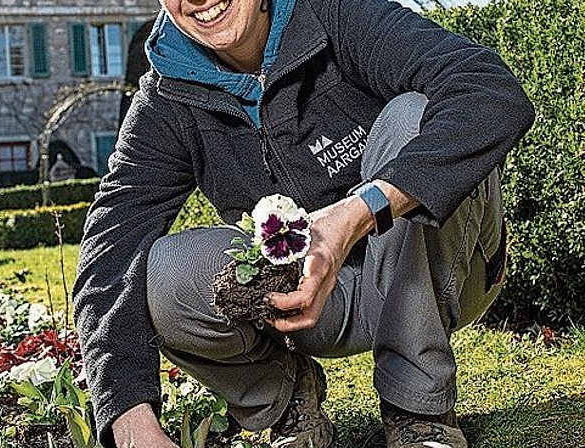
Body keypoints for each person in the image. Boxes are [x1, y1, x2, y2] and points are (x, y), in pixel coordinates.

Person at [72, 0, 535, 447]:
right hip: (311, 307)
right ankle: (288, 400)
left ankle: (419, 413)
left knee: (412, 117)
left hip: (438, 270)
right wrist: (130, 421)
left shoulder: (336, 12)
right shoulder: (166, 98)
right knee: (162, 273)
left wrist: (358, 213)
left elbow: (488, 90)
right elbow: (111, 248)